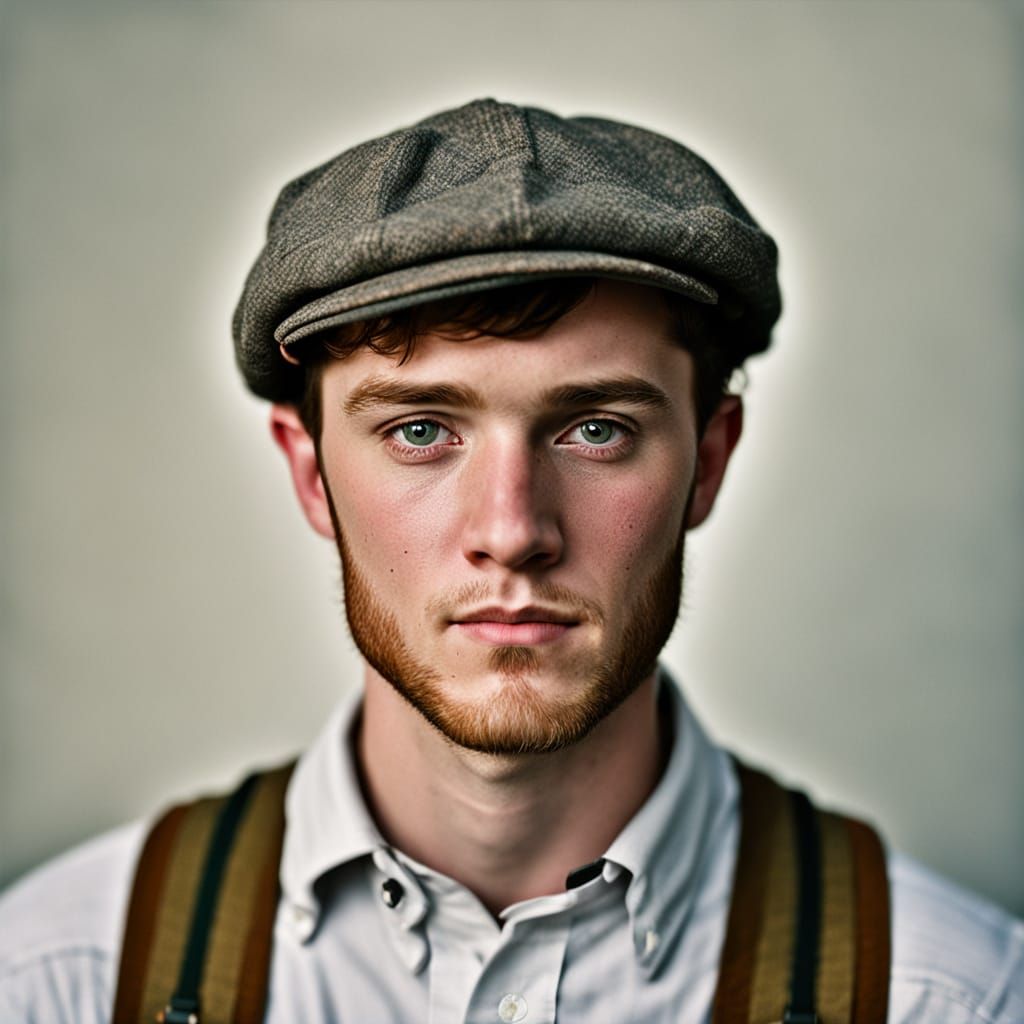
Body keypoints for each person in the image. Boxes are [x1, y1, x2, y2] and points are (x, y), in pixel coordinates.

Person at [1, 98, 1020, 1024]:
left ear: (707, 462)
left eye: (595, 430)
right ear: (310, 476)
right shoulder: (58, 981)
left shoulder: (953, 997)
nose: (512, 527)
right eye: (419, 431)